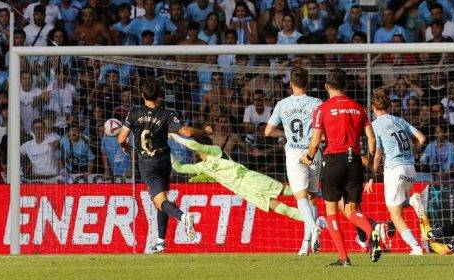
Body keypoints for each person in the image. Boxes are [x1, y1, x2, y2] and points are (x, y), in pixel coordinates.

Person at [117, 78, 213, 254]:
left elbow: (121, 138)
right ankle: (161, 241)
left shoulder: (134, 113)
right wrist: (204, 132)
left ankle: (184, 217)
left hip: (147, 163)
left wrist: (124, 145)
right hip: (164, 160)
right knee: (162, 199)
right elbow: (187, 132)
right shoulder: (167, 114)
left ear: (142, 94)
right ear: (159, 94)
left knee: (159, 201)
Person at [300, 67, 381, 266]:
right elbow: (372, 140)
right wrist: (370, 165)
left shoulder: (322, 109)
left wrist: (308, 158)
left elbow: (315, 141)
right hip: (354, 162)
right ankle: (371, 230)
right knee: (352, 210)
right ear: (346, 86)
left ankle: (344, 258)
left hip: (333, 161)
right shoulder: (358, 108)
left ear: (326, 86)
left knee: (332, 211)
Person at [169, 134, 309, 226]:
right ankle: (311, 220)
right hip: (242, 190)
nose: (195, 150)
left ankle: (314, 193)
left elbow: (195, 145)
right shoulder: (202, 167)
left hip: (248, 178)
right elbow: (179, 168)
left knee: (286, 191)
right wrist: (165, 150)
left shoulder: (216, 151)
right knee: (280, 209)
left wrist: (176, 138)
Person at [264, 67, 326, 256]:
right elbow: (324, 130)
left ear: (291, 84)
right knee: (312, 197)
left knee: (300, 197)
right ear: (307, 83)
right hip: (314, 152)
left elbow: (268, 131)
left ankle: (313, 227)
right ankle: (306, 244)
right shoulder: (317, 103)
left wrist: (286, 134)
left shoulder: (282, 104)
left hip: (295, 153)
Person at [370, 89, 428, 256]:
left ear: (373, 108)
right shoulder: (400, 120)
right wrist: (413, 154)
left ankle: (416, 247)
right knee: (399, 205)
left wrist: (372, 175)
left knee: (395, 215)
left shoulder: (375, 125)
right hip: (410, 168)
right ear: (389, 106)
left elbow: (378, 154)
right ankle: (413, 200)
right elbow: (422, 138)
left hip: (394, 169)